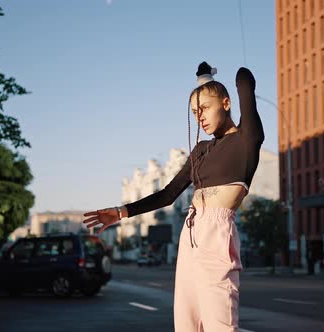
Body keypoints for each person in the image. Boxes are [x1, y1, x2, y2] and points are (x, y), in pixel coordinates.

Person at [83, 61, 264, 332]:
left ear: (226, 103)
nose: (199, 117)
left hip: (216, 235)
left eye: (204, 108)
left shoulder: (246, 140)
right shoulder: (200, 151)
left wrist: (205, 80)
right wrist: (122, 212)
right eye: (194, 112)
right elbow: (168, 194)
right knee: (186, 325)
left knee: (220, 325)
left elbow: (244, 79)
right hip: (190, 237)